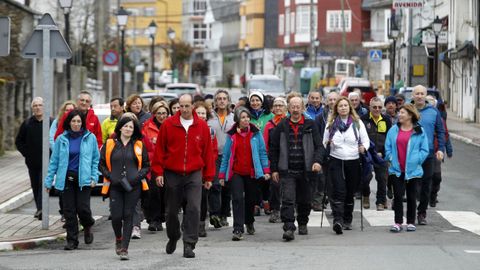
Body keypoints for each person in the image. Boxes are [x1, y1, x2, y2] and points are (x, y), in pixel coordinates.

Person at [152, 94, 215, 258]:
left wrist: (208, 177)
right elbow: (160, 150)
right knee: (172, 211)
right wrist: (158, 172)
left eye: (187, 106)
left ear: (192, 106)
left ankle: (189, 244)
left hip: (194, 173)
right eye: (181, 106)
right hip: (173, 173)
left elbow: (208, 152)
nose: (184, 109)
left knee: (194, 208)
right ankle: (173, 237)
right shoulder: (168, 124)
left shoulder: (201, 126)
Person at [269, 97, 323, 241]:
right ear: (288, 108)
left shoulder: (310, 125)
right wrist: (274, 169)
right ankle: (288, 227)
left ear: (302, 108)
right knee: (287, 200)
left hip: (306, 170)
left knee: (305, 200)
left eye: (298, 106)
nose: (295, 109)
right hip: (287, 170)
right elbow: (273, 149)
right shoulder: (282, 126)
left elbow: (319, 147)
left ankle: (303, 222)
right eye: (292, 106)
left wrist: (317, 161)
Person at [44, 109, 99, 250]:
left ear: (83, 123)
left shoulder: (90, 138)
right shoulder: (61, 139)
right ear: (69, 122)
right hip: (66, 179)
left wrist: (94, 177)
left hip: (84, 180)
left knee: (83, 209)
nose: (76, 124)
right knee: (69, 211)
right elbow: (54, 162)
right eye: (73, 121)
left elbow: (95, 160)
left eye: (79, 121)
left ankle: (87, 224)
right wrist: (49, 181)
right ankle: (72, 240)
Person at [99, 115, 150, 260]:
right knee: (116, 216)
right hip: (115, 185)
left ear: (134, 130)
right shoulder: (109, 143)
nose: (128, 129)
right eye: (126, 126)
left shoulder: (139, 144)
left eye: (131, 127)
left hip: (133, 186)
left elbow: (146, 166)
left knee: (128, 215)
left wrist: (137, 178)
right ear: (120, 127)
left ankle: (124, 248)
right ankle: (118, 238)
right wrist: (110, 176)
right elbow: (101, 164)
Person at [218, 107, 270, 241]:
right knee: (236, 198)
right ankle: (238, 228)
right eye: (243, 117)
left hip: (252, 172)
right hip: (236, 172)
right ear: (237, 119)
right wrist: (222, 175)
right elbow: (226, 156)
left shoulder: (256, 133)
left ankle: (249, 221)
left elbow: (263, 153)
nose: (246, 120)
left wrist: (266, 170)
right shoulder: (232, 135)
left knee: (251, 200)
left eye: (248, 117)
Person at [323, 97, 370, 234]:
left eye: (345, 105)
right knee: (338, 190)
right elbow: (324, 141)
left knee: (350, 191)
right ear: (336, 109)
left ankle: (347, 219)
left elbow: (366, 141)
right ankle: (337, 220)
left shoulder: (357, 123)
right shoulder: (331, 124)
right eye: (340, 106)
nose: (343, 108)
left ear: (350, 108)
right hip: (336, 160)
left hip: (353, 160)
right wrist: (328, 144)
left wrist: (363, 148)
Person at [385, 104, 429, 232]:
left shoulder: (419, 131)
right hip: (396, 169)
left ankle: (410, 222)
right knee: (398, 196)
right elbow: (387, 147)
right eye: (399, 112)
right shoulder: (393, 130)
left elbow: (424, 149)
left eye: (402, 112)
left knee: (411, 196)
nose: (399, 115)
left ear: (410, 115)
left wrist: (417, 160)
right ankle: (398, 222)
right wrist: (391, 158)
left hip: (413, 170)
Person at [412, 85, 445, 225]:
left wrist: (441, 149)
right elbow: (398, 129)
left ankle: (422, 213)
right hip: (410, 153)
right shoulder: (407, 110)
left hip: (429, 153)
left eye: (422, 93)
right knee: (412, 183)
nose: (419, 96)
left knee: (427, 184)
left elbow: (441, 131)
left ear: (425, 95)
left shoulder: (433, 111)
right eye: (417, 93)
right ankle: (410, 212)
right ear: (413, 95)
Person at [16, 97, 52, 220]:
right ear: (32, 108)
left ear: (44, 107)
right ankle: (39, 209)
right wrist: (27, 153)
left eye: (40, 105)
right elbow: (19, 141)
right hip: (32, 162)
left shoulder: (51, 122)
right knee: (35, 186)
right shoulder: (27, 124)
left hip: (48, 162)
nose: (37, 108)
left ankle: (42, 209)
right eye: (35, 106)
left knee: (43, 184)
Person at [207, 90, 235, 229]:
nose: (222, 101)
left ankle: (224, 214)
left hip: (229, 156)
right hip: (214, 156)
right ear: (215, 101)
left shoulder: (234, 118)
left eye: (224, 98)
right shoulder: (209, 117)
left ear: (228, 101)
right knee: (216, 184)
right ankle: (214, 213)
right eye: (219, 99)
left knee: (227, 186)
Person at [125, 94, 151, 238]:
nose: (129, 127)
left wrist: (142, 172)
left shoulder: (142, 139)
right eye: (127, 124)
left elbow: (148, 157)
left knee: (136, 200)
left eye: (132, 124)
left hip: (137, 173)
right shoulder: (115, 138)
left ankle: (135, 226)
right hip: (121, 174)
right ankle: (124, 224)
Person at [142, 101, 170, 232]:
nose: (162, 116)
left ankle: (163, 216)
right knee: (154, 193)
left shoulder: (172, 125)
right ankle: (154, 220)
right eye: (159, 113)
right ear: (154, 114)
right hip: (153, 165)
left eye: (164, 113)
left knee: (166, 193)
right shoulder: (147, 127)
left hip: (169, 165)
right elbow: (144, 146)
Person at [360, 97, 392, 210]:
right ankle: (365, 195)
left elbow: (389, 138)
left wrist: (384, 153)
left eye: (379, 107)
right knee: (365, 178)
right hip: (367, 154)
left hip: (381, 154)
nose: (377, 109)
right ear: (369, 107)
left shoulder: (387, 120)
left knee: (382, 178)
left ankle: (380, 201)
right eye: (374, 107)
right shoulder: (363, 120)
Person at [247, 90, 273, 215]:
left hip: (265, 152)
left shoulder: (270, 116)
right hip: (250, 152)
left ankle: (266, 200)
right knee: (254, 179)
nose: (255, 103)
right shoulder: (246, 115)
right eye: (252, 100)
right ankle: (256, 204)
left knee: (266, 179)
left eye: (257, 100)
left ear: (262, 102)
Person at [49, 100, 76, 221]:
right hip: (61, 159)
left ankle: (72, 213)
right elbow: (51, 139)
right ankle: (64, 212)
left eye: (71, 109)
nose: (69, 112)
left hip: (74, 161)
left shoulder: (77, 123)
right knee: (61, 188)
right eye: (67, 109)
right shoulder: (57, 122)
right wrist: (60, 152)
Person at [313, 91, 339, 211]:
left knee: (334, 181)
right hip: (324, 151)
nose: (332, 102)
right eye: (330, 100)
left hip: (338, 153)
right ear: (326, 101)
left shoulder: (343, 115)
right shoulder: (320, 117)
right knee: (321, 179)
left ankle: (335, 204)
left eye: (335, 99)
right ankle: (319, 201)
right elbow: (317, 134)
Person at [425, 96, 453, 207]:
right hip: (423, 152)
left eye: (432, 104)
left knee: (436, 177)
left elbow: (445, 134)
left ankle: (433, 194)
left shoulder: (440, 119)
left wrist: (448, 150)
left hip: (436, 152)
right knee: (425, 177)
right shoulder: (418, 116)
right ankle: (424, 197)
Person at [195, 101, 218, 237]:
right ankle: (189, 221)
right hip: (191, 169)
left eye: (203, 113)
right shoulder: (188, 129)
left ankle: (201, 224)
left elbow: (213, 151)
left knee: (203, 198)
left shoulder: (211, 131)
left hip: (204, 169)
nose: (201, 116)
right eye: (198, 113)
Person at [263, 97, 287, 223]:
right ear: (272, 108)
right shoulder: (269, 125)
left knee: (288, 185)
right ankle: (275, 210)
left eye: (281, 105)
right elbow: (265, 145)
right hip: (274, 160)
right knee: (275, 186)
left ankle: (287, 210)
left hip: (289, 159)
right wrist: (267, 163)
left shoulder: (290, 122)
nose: (278, 108)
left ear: (285, 108)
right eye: (276, 105)